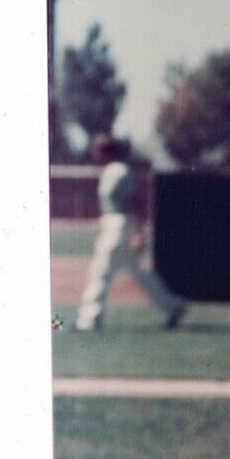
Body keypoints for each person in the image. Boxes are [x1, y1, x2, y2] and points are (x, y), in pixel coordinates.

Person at [75, 136, 186, 332]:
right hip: (115, 224)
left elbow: (136, 201)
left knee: (100, 271)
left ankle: (89, 320)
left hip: (119, 225)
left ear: (104, 152)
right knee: (138, 273)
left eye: (97, 150)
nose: (94, 154)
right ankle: (173, 306)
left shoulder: (119, 171)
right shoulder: (112, 171)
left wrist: (139, 232)